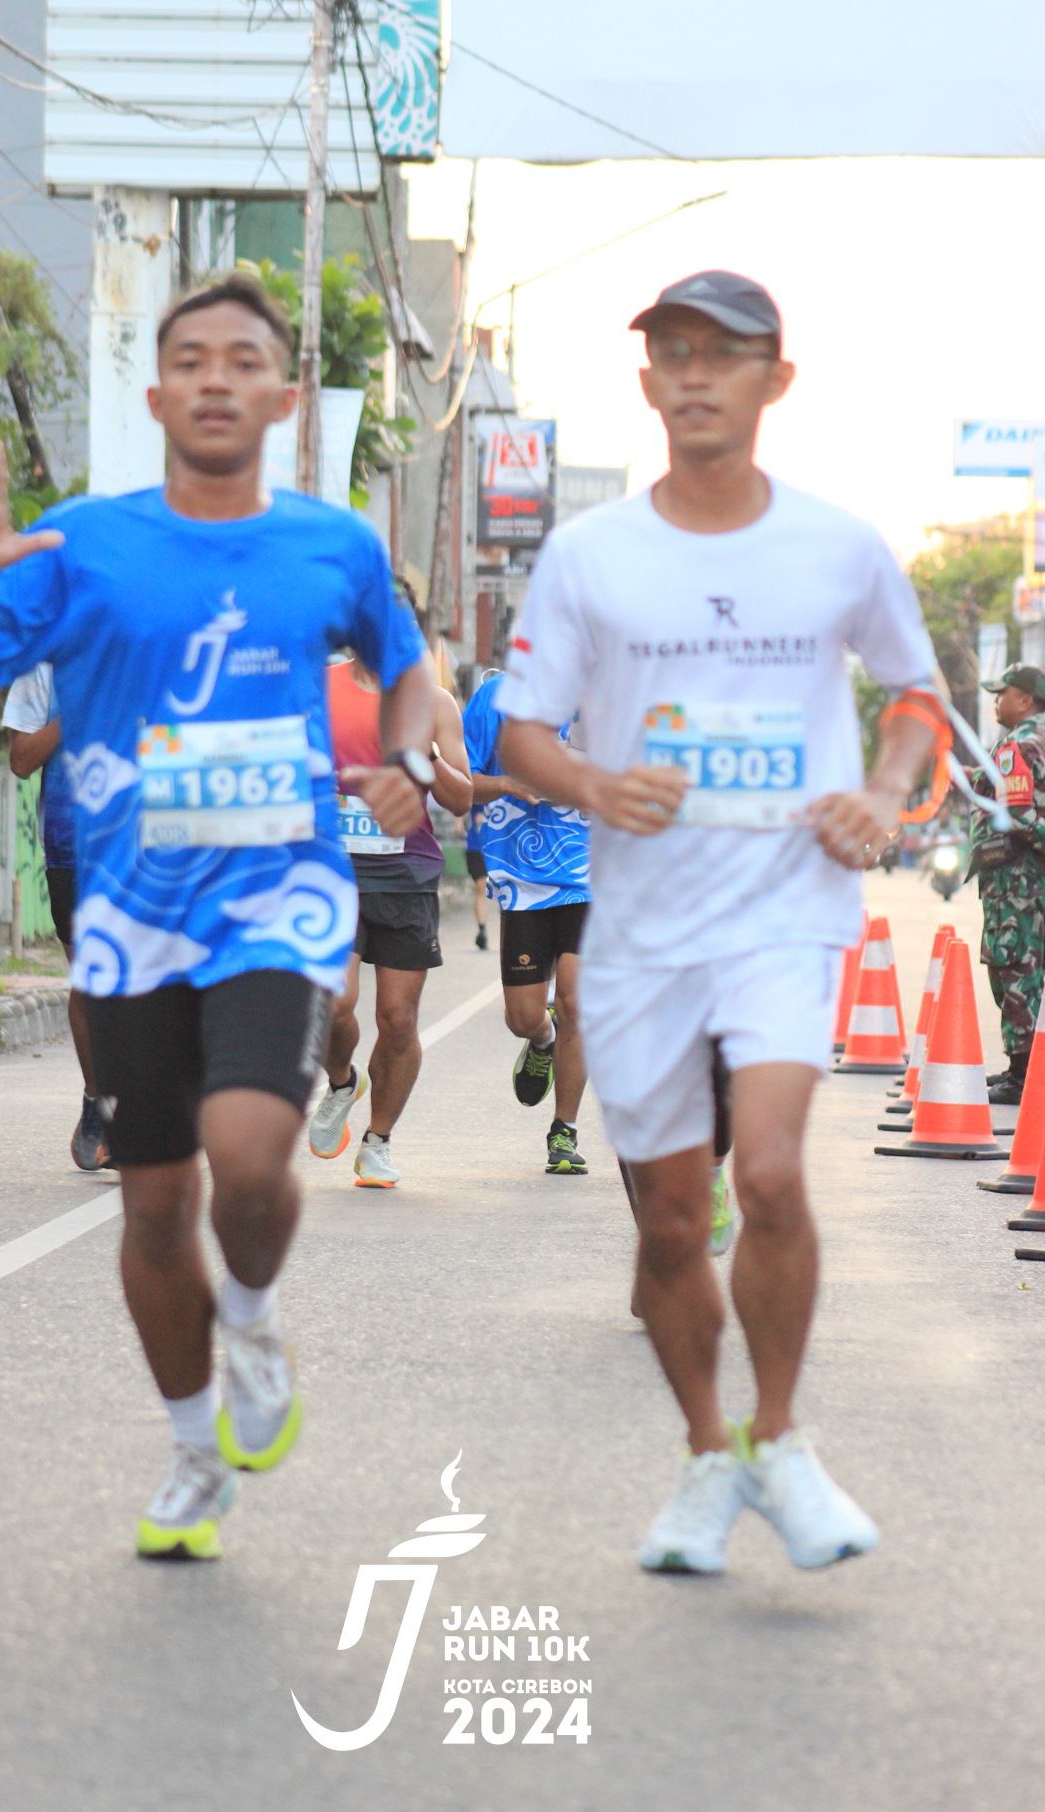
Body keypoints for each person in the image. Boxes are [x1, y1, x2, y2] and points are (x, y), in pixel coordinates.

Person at [0, 271, 435, 1562]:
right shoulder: (82, 543)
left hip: (278, 900)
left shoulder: (330, 546)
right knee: (151, 1207)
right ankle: (197, 1451)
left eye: (241, 360)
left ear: (283, 397)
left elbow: (406, 670)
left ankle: (249, 1314)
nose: (214, 379)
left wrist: (405, 759)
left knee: (248, 1159)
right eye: (190, 359)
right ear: (155, 395)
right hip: (131, 916)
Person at [495, 269, 939, 1574]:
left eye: (725, 352)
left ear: (773, 381)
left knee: (776, 1173)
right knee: (671, 1223)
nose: (695, 372)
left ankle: (782, 1438)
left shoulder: (838, 545)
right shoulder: (589, 555)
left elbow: (916, 698)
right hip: (640, 933)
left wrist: (883, 792)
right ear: (645, 381)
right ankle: (708, 1456)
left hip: (785, 911)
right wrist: (593, 786)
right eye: (673, 351)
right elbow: (521, 731)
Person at [307, 648, 472, 1185]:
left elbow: (462, 798)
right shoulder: (317, 685)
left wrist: (428, 758)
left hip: (406, 874)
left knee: (398, 1019)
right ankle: (341, 1081)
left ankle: (377, 1142)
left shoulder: (434, 702)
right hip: (333, 872)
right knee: (333, 1002)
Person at [462, 670, 592, 1175]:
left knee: (577, 1001)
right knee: (521, 1016)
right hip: (522, 880)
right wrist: (508, 783)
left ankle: (564, 1130)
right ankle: (542, 1039)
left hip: (591, 873)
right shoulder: (496, 697)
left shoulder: (605, 693)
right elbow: (462, 783)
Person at [3, 664, 110, 1170]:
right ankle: (97, 1101)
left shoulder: (155, 638)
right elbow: (21, 760)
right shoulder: (43, 662)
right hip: (73, 847)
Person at [969, 663, 1045, 1105]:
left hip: (1016, 878)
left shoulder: (1017, 743)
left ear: (1026, 700)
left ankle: (1022, 1073)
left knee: (1013, 965)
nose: (996, 701)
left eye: (1003, 693)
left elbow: (1018, 814)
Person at [466, 808, 491, 950]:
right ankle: (482, 929)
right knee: (481, 885)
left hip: (498, 845)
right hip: (476, 845)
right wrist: (459, 822)